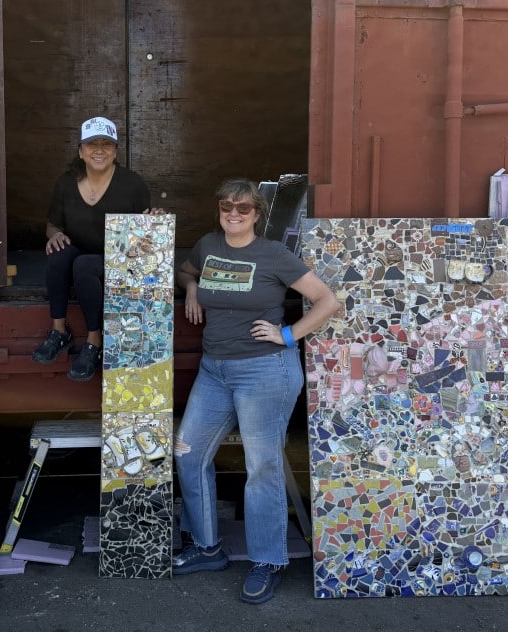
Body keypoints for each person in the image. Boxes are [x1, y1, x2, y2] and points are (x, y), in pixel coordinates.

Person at [172, 178, 341, 604]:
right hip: (214, 371)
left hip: (264, 372)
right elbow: (185, 270)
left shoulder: (273, 254)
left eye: (243, 208)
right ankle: (207, 547)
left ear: (256, 213)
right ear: (219, 209)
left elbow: (327, 300)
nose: (234, 213)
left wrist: (288, 334)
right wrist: (191, 288)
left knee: (260, 466)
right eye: (227, 205)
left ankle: (268, 561)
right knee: (189, 453)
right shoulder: (208, 245)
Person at [31, 116, 156, 382]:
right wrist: (54, 235)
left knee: (84, 265)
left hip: (116, 257)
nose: (99, 150)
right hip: (78, 248)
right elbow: (52, 225)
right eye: (92, 144)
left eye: (106, 144)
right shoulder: (66, 182)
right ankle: (59, 331)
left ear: (115, 151)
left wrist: (155, 218)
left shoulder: (132, 183)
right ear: (81, 150)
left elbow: (145, 230)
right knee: (58, 253)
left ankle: (94, 341)